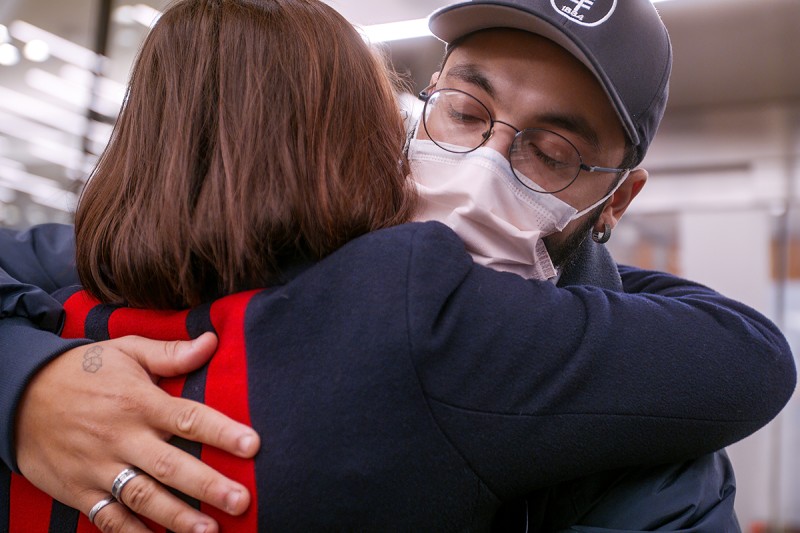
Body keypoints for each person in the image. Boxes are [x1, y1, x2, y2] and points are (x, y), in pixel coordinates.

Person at [0, 0, 794, 531]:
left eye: (553, 153)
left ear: (617, 200)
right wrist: (26, 384)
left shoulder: (658, 443)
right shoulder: (271, 238)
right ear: (428, 99)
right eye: (465, 112)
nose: (481, 169)